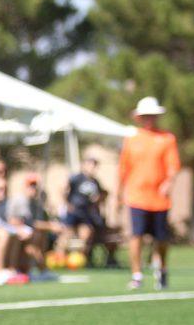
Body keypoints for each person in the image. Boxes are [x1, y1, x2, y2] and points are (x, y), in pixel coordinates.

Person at [118, 96, 180, 290]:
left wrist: (169, 182)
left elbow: (173, 165)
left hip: (159, 199)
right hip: (136, 195)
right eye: (146, 116)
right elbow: (123, 168)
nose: (149, 119)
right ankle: (136, 274)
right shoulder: (132, 139)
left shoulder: (167, 139)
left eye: (152, 116)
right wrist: (118, 194)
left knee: (161, 239)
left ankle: (162, 269)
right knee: (136, 235)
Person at [61, 158, 106, 256]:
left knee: (86, 234)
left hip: (86, 212)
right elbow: (63, 190)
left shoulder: (95, 182)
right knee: (66, 234)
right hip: (74, 211)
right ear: (84, 166)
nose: (92, 168)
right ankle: (59, 256)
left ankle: (80, 258)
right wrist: (67, 204)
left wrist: (97, 200)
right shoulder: (76, 178)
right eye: (90, 165)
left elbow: (101, 195)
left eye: (94, 166)